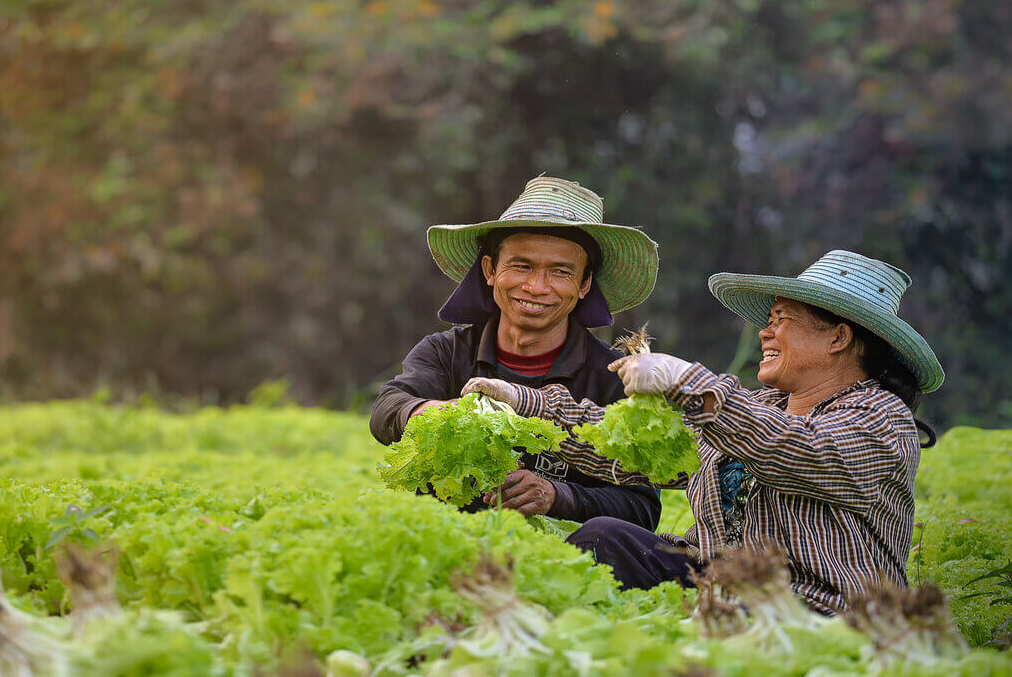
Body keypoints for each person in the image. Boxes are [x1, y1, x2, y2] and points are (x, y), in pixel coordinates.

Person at [463, 250, 943, 615]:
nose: (764, 334)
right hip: (717, 589)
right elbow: (638, 452)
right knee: (606, 538)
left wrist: (686, 381)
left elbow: (796, 451)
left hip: (814, 610)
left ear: (839, 338)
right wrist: (525, 405)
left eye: (781, 322)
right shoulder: (756, 405)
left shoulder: (880, 418)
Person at [370, 176, 663, 529]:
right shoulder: (445, 352)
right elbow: (387, 409)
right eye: (521, 265)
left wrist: (558, 496)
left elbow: (642, 507)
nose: (536, 287)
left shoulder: (616, 379)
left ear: (584, 285)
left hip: (557, 564)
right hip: (450, 550)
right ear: (490, 270)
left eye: (560, 271)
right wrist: (430, 412)